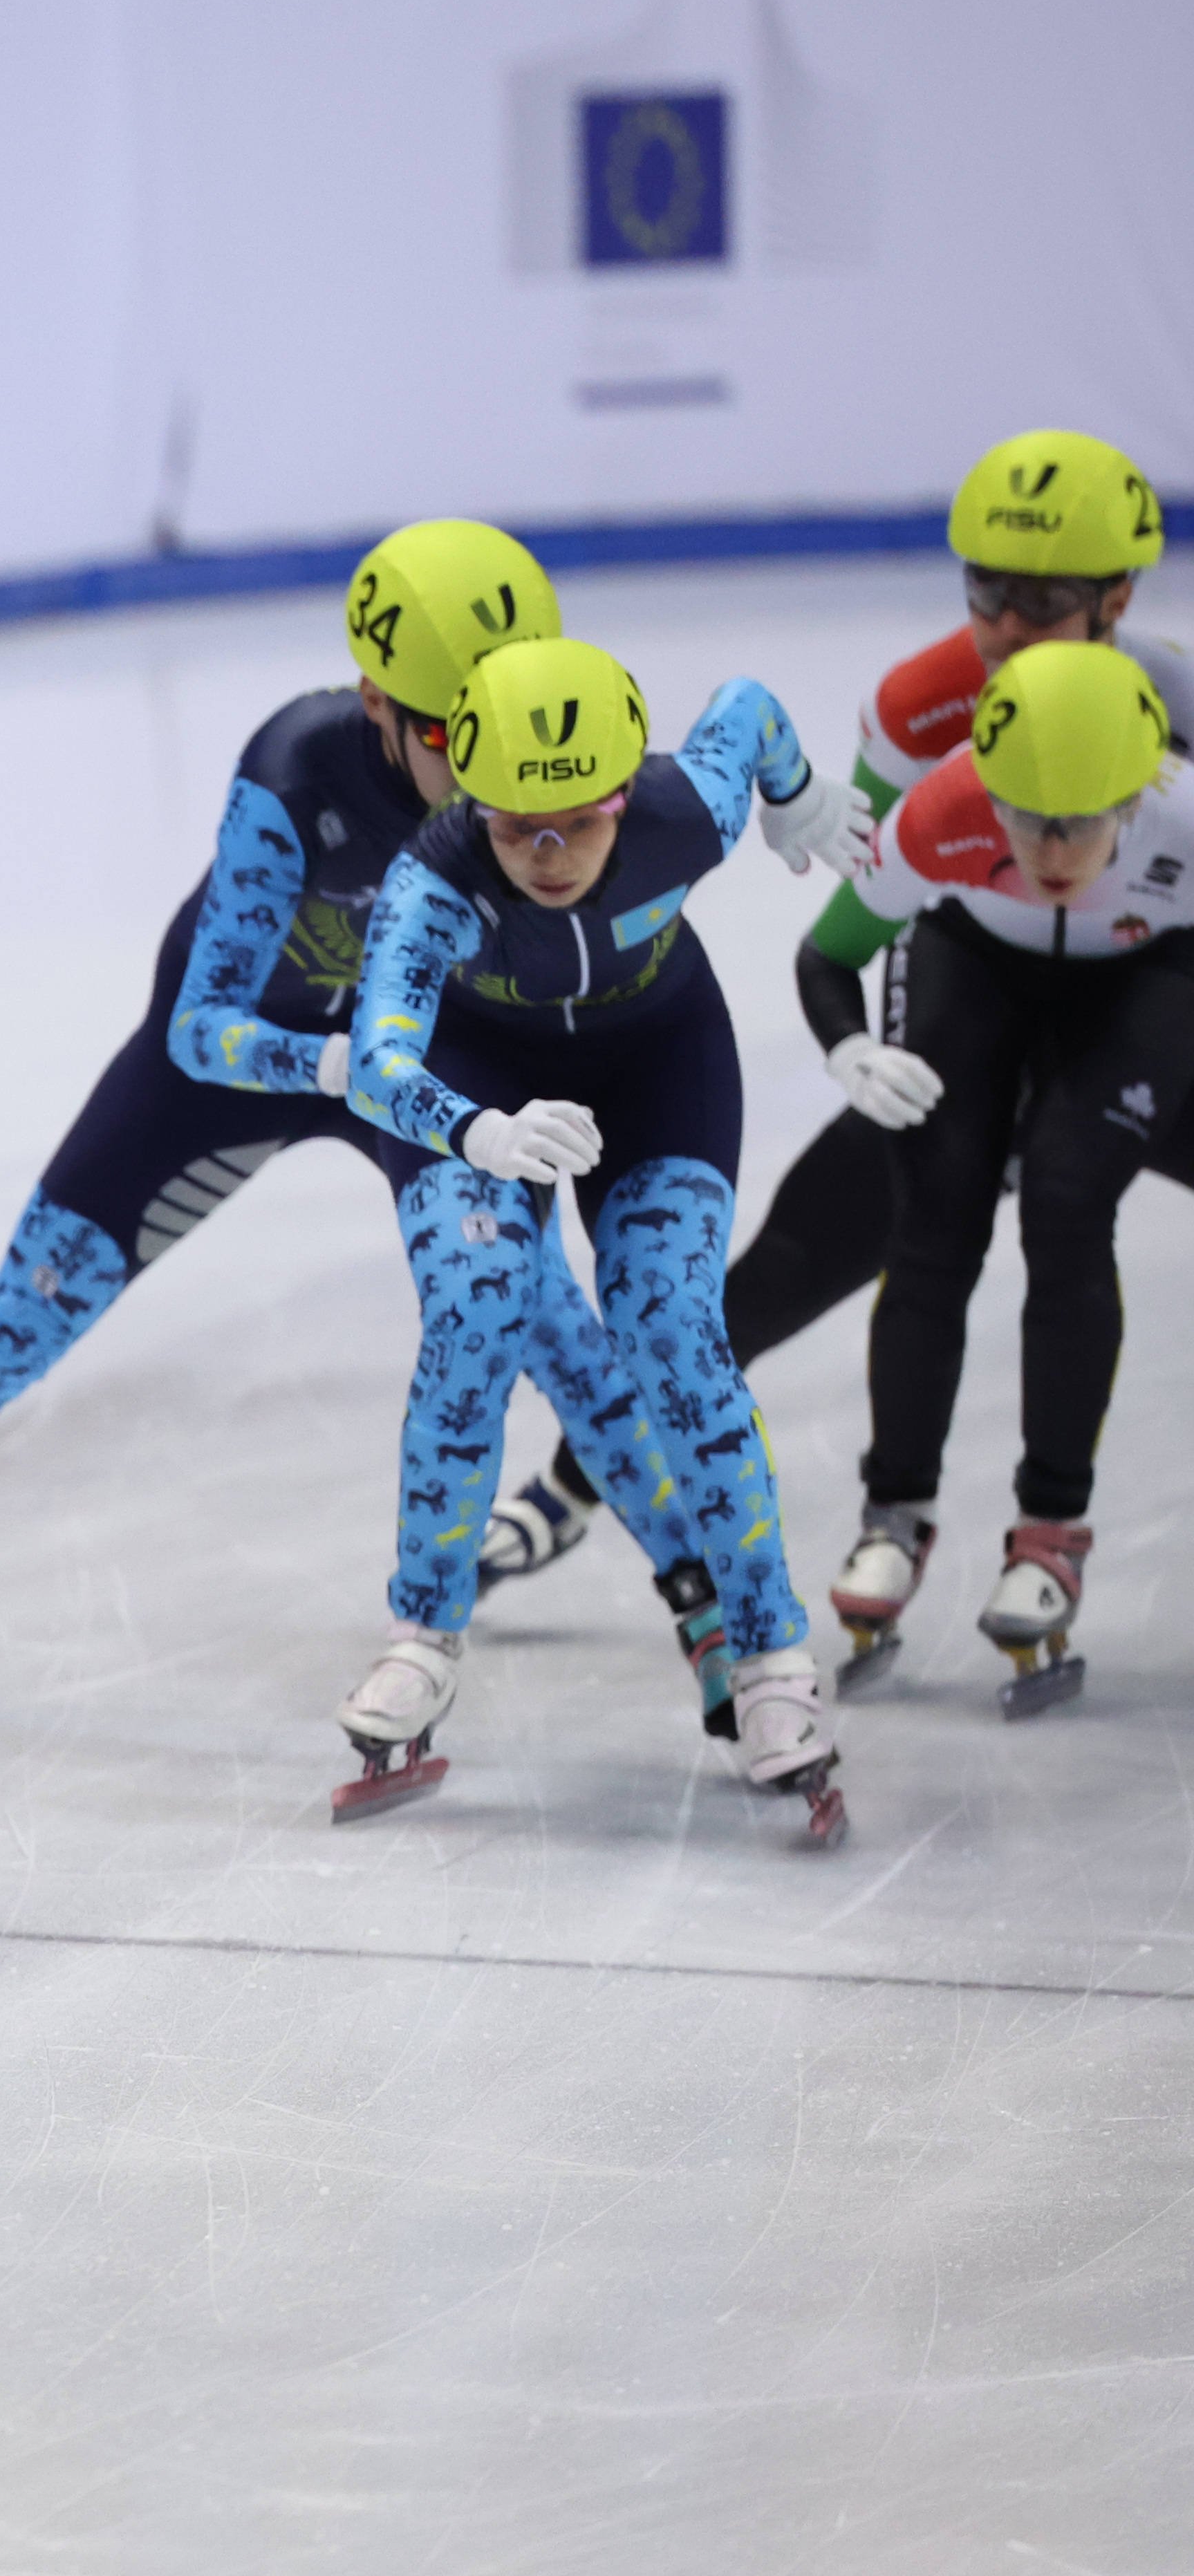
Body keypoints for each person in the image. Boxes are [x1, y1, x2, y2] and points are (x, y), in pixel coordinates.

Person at [0, 524, 747, 1734]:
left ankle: (705, 1599)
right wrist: (343, 1062)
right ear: (375, 703)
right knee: (26, 1309)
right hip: (252, 1062)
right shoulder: (296, 772)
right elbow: (200, 1031)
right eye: (454, 736)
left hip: (427, 1064)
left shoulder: (531, 787)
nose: (494, 771)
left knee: (542, 1315)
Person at [482, 429, 1191, 1576]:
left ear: (1116, 597)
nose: (1007, 627)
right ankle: (581, 1472)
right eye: (985, 592)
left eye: (1044, 599)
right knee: (799, 1254)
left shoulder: (1178, 706)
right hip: (976, 994)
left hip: (1141, 1004)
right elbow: (874, 881)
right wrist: (872, 1039)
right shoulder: (920, 707)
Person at [333, 636, 858, 1838]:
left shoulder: (687, 808)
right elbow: (377, 1063)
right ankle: (424, 1627)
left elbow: (750, 707)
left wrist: (798, 798)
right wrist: (475, 1131)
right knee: (476, 1310)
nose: (552, 855)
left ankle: (772, 1655)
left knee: (674, 1329)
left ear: (625, 793)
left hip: (654, 1065)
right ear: (472, 801)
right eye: (519, 829)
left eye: (578, 822)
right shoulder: (435, 880)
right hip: (475, 1082)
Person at [805, 642, 1194, 1712]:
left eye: (1077, 822)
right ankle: (894, 1515)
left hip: (1147, 977)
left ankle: (1052, 1532)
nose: (1049, 848)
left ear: (1135, 793)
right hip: (975, 966)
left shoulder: (1189, 822)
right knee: (934, 1219)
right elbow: (825, 956)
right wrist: (849, 1049)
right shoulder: (943, 810)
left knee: (1069, 1204)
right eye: (1023, 817)